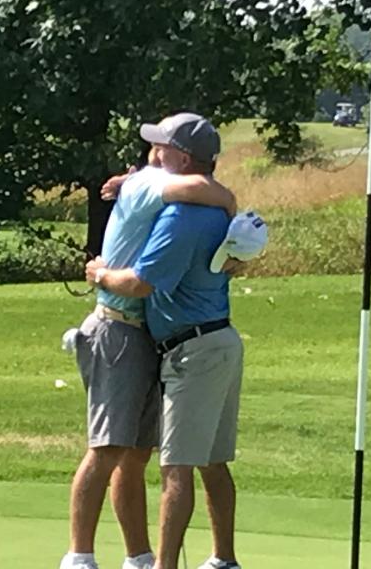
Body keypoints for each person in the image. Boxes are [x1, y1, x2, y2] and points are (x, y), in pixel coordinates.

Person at [86, 117, 267, 569]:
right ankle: (223, 560)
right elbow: (193, 188)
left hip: (192, 349)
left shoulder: (181, 216)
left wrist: (100, 274)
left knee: (176, 466)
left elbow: (143, 283)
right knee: (213, 461)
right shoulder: (216, 206)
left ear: (183, 159)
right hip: (221, 339)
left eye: (162, 148)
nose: (155, 154)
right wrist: (132, 180)